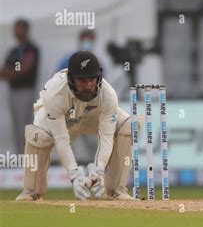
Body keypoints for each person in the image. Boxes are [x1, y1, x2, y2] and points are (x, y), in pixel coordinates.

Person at [15, 51, 135, 201]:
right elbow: (62, 140)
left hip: (92, 119)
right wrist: (74, 175)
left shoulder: (108, 94)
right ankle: (32, 190)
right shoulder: (54, 93)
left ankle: (115, 190)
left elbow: (106, 137)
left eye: (92, 79)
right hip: (62, 121)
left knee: (127, 125)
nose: (89, 85)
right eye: (82, 80)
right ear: (70, 78)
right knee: (37, 134)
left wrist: (99, 169)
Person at [0, 19, 40, 154]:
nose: (15, 32)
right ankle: (20, 156)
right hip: (13, 92)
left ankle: (28, 156)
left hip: (25, 92)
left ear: (25, 29)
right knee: (16, 127)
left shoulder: (31, 48)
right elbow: (3, 70)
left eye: (18, 28)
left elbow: (25, 68)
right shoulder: (14, 50)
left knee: (25, 125)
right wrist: (14, 72)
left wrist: (12, 72)